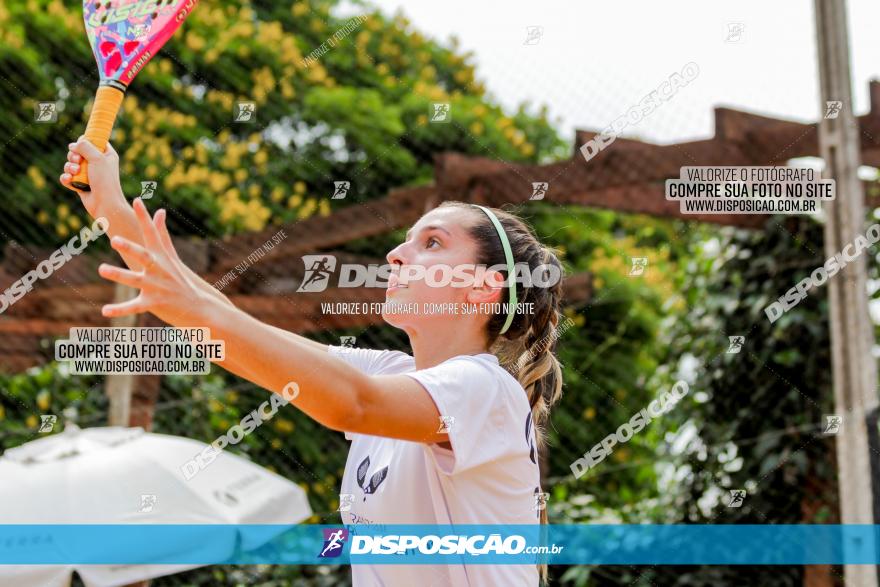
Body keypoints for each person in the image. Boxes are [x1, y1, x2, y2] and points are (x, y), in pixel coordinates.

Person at [60, 137, 565, 586]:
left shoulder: (485, 388)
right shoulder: (393, 374)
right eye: (407, 239)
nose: (395, 253)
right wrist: (112, 208)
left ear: (484, 288)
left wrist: (187, 305)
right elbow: (246, 336)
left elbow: (351, 404)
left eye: (431, 242)